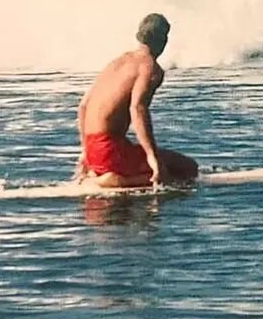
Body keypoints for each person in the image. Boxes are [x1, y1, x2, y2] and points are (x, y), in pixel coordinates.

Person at [75, 13, 198, 189]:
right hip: (110, 152)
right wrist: (152, 158)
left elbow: (83, 106)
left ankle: (101, 171)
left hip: (94, 150)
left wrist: (86, 152)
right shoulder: (151, 68)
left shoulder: (118, 61)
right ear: (162, 40)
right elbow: (137, 108)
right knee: (188, 169)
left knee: (167, 165)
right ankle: (112, 180)